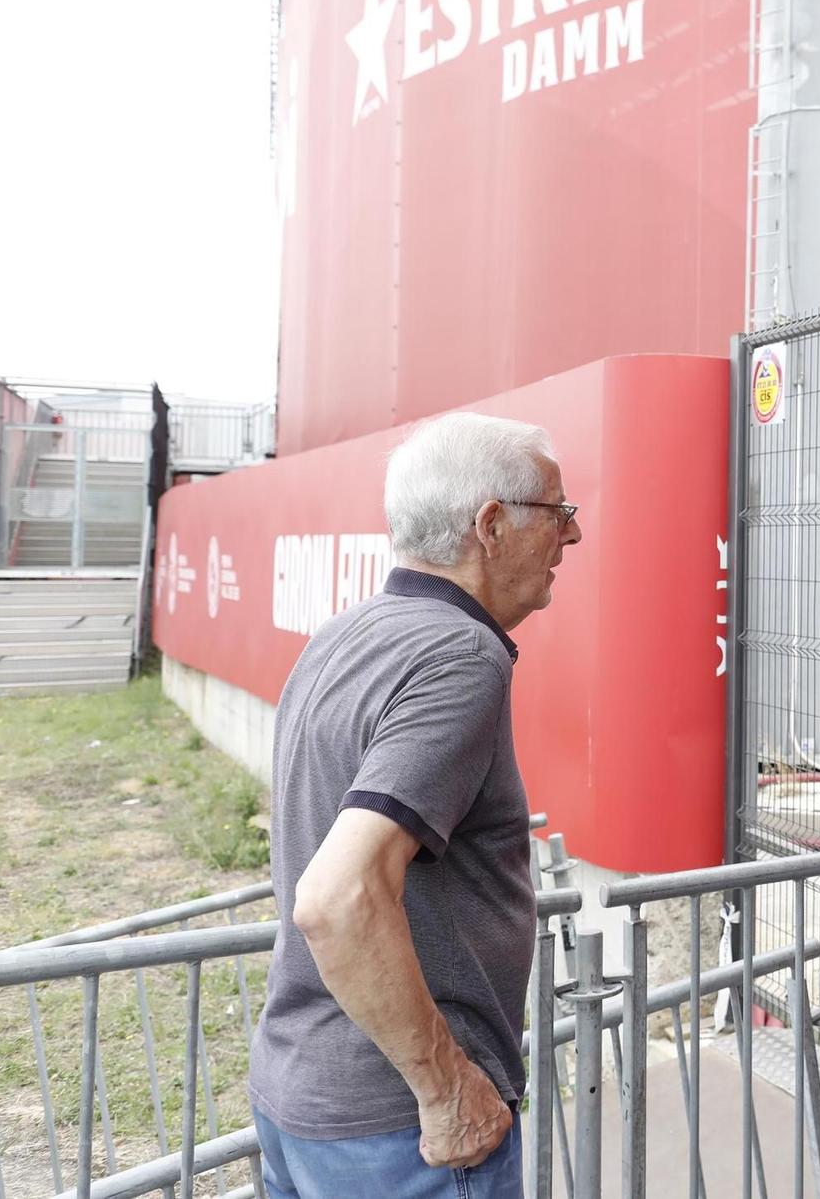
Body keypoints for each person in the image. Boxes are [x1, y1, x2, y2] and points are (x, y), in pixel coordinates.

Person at [248, 412, 582, 1199]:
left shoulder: (342, 634)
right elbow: (337, 897)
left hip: (303, 1096)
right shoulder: (459, 654)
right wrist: (447, 1090)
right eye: (559, 512)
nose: (572, 537)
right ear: (491, 524)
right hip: (401, 1135)